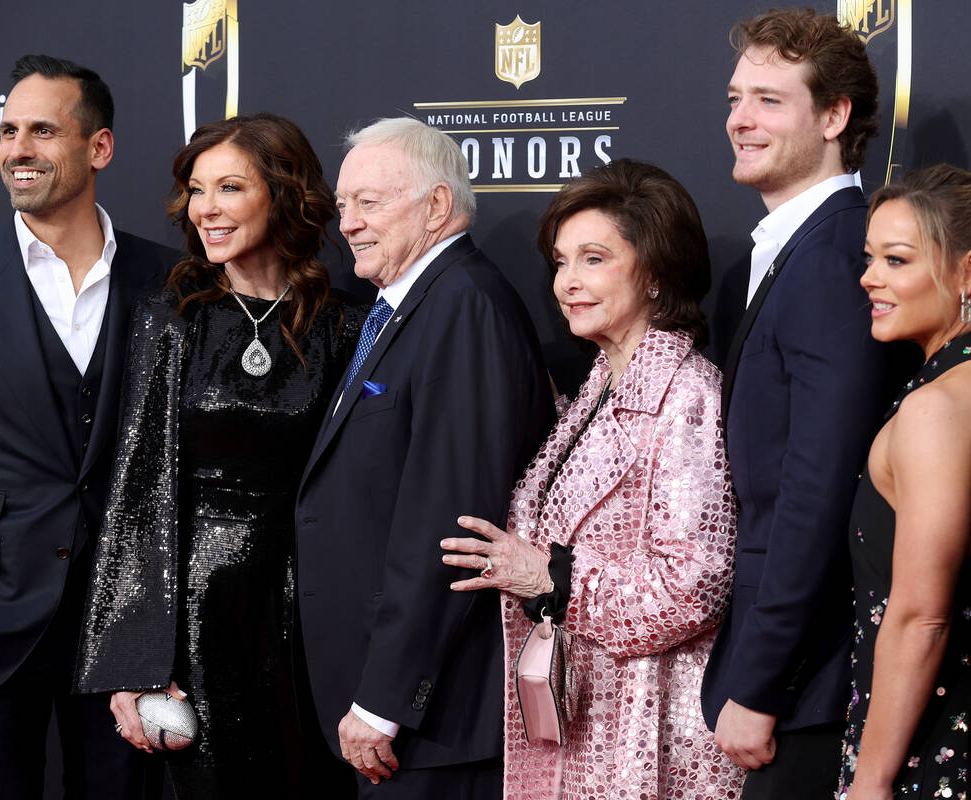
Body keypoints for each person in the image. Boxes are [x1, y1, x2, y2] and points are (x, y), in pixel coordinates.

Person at [74, 113, 361, 798]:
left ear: (284, 195)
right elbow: (137, 487)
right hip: (198, 618)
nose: (207, 208)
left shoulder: (347, 323)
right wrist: (133, 662)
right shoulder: (173, 316)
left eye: (229, 187)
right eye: (197, 190)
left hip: (312, 613)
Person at [441, 158, 744, 799]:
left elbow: (695, 584)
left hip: (649, 729)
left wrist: (552, 576)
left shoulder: (687, 393)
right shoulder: (601, 383)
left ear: (657, 271)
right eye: (560, 262)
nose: (567, 283)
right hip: (582, 717)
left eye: (594, 259)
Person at [0, 54, 172, 799]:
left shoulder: (168, 283)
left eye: (42, 130)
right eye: (8, 131)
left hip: (128, 628)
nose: (17, 149)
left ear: (98, 148)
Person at [294, 117, 554, 798]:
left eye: (369, 203)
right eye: (344, 205)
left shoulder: (463, 304)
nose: (347, 224)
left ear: (437, 206)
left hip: (431, 720)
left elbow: (450, 521)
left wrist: (384, 699)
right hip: (402, 717)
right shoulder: (408, 306)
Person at [700, 10, 897, 800]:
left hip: (807, 682)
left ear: (834, 116)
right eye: (735, 97)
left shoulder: (834, 258)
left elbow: (819, 491)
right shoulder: (789, 251)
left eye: (769, 101)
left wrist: (762, 684)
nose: (740, 120)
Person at [835, 165, 971, 800]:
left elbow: (921, 616)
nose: (870, 277)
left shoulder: (937, 409)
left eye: (895, 259)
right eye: (870, 257)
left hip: (931, 744)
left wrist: (871, 780)